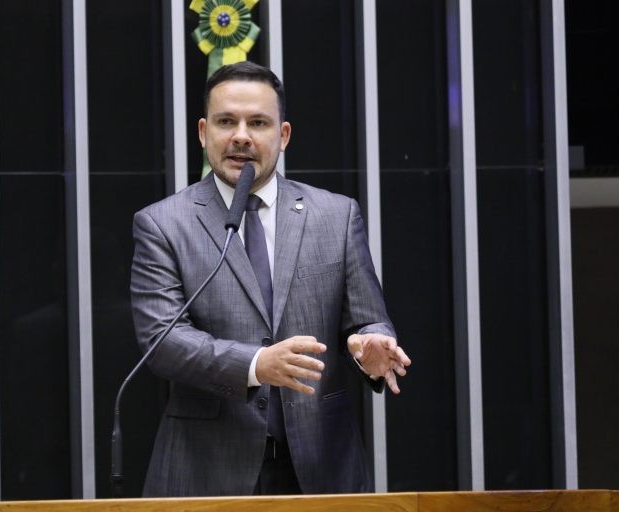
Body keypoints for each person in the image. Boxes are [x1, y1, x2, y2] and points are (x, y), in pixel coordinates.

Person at [130, 61, 411, 497]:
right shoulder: (163, 224)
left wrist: (371, 344)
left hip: (321, 468)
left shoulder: (335, 216)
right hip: (205, 469)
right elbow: (162, 341)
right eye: (227, 121)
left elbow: (365, 320)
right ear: (204, 133)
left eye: (258, 122)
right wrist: (256, 365)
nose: (241, 135)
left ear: (282, 136)